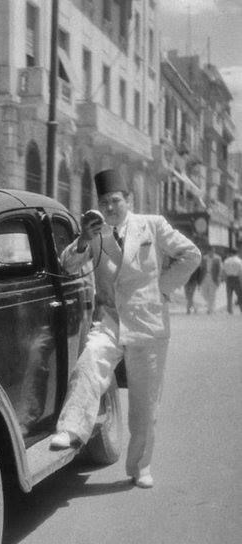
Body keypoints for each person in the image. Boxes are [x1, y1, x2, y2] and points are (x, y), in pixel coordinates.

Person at [49, 168, 201, 489]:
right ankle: (72, 428)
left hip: (148, 324)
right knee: (88, 364)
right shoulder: (96, 233)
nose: (110, 207)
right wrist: (82, 239)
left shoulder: (152, 225)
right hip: (110, 321)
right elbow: (67, 265)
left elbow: (191, 254)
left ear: (128, 200)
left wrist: (162, 289)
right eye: (104, 202)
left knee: (145, 406)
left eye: (116, 201)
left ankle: (140, 467)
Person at [199, 246, 222, 314]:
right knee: (204, 293)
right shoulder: (204, 258)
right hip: (205, 277)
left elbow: (220, 269)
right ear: (208, 251)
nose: (212, 252)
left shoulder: (218, 258)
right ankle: (211, 305)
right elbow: (201, 268)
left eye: (213, 251)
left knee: (212, 294)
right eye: (211, 251)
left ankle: (210, 310)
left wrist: (219, 278)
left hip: (214, 278)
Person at [221, 246, 242, 314]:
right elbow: (240, 272)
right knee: (240, 295)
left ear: (230, 253)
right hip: (236, 278)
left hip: (229, 278)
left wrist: (225, 280)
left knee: (229, 295)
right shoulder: (239, 261)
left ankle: (229, 310)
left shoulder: (226, 261)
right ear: (237, 253)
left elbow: (223, 271)